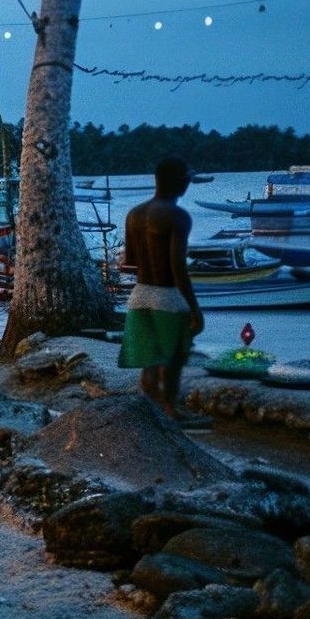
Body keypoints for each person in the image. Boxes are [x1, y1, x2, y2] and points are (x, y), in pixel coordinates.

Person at [120, 156, 207, 427]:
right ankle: (171, 409)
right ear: (181, 181)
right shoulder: (177, 216)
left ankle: (151, 412)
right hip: (167, 295)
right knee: (175, 355)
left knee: (150, 357)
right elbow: (177, 266)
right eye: (188, 178)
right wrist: (194, 309)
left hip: (139, 295)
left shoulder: (134, 214)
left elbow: (130, 262)